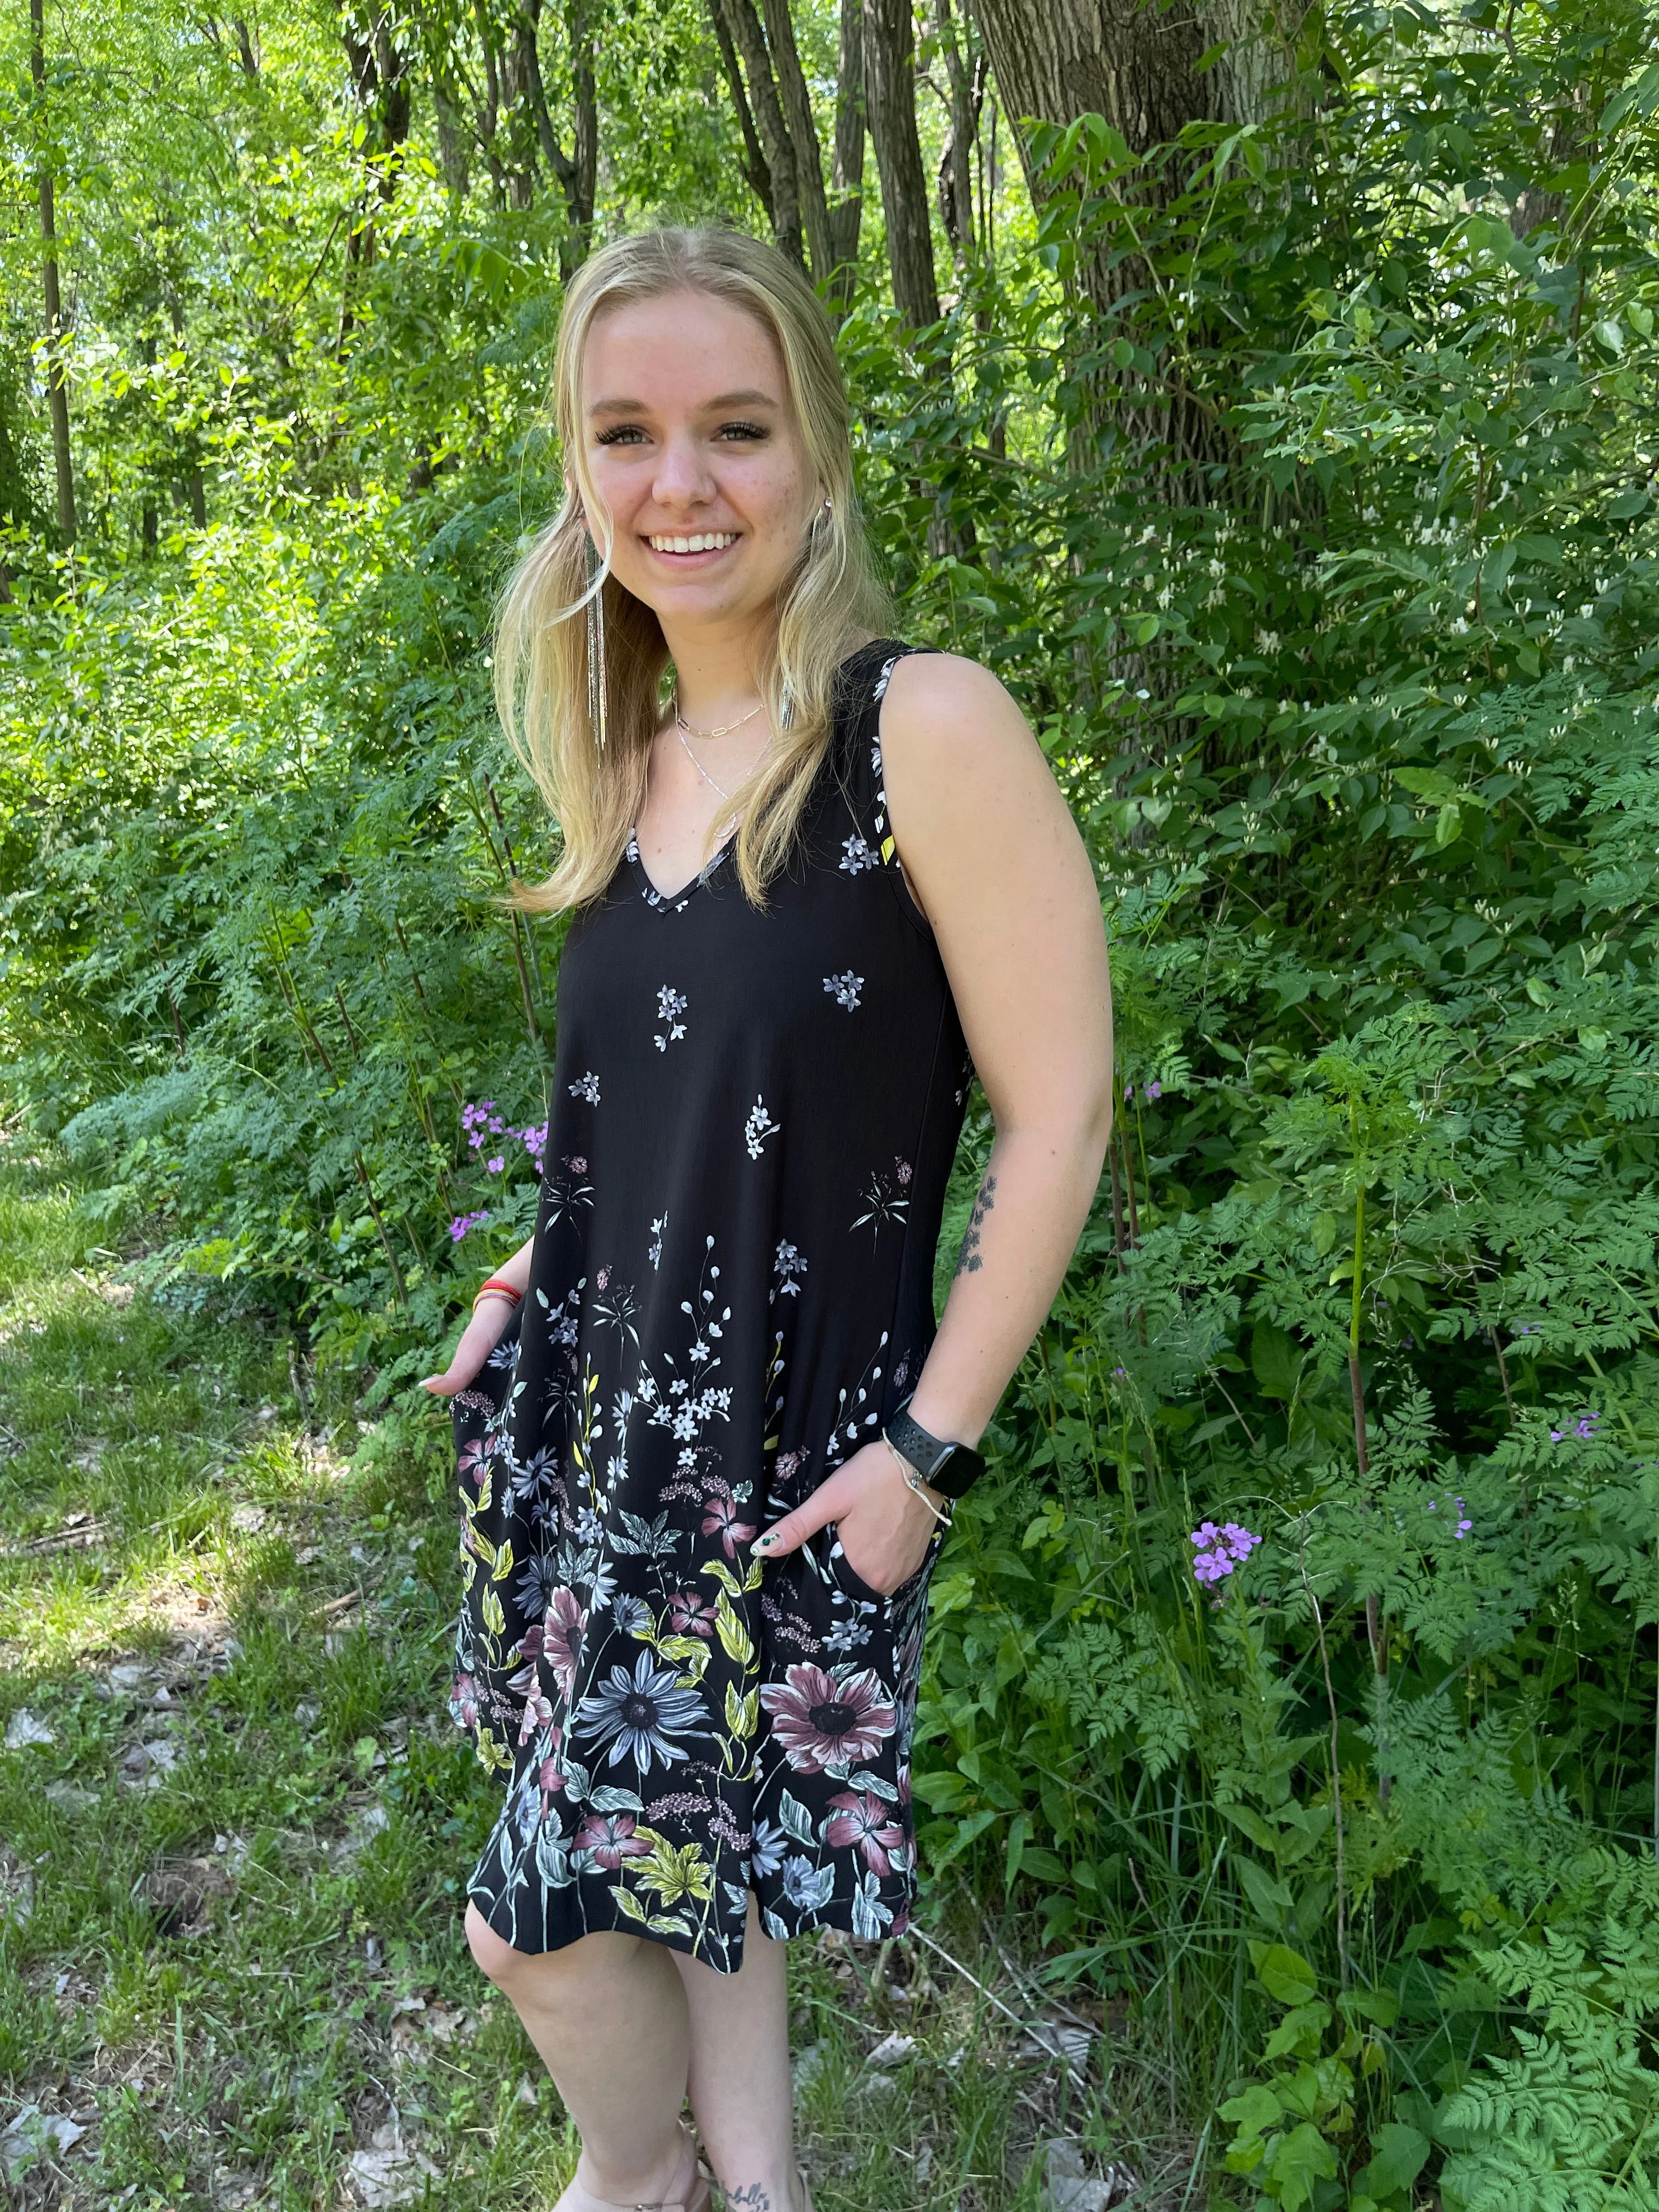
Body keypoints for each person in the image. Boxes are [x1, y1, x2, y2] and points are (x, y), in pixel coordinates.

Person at [421, 227, 1113, 2212]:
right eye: (626, 435)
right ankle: (761, 2190)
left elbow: (1059, 1117)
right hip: (598, 1425)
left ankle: (634, 2180)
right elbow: (664, 1111)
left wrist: (931, 1447)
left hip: (794, 1454)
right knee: (693, 1874)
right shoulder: (623, 761)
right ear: (581, 468)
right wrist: (524, 1272)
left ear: (813, 445)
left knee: (535, 1925)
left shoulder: (922, 732)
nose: (681, 485)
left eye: (736, 427)